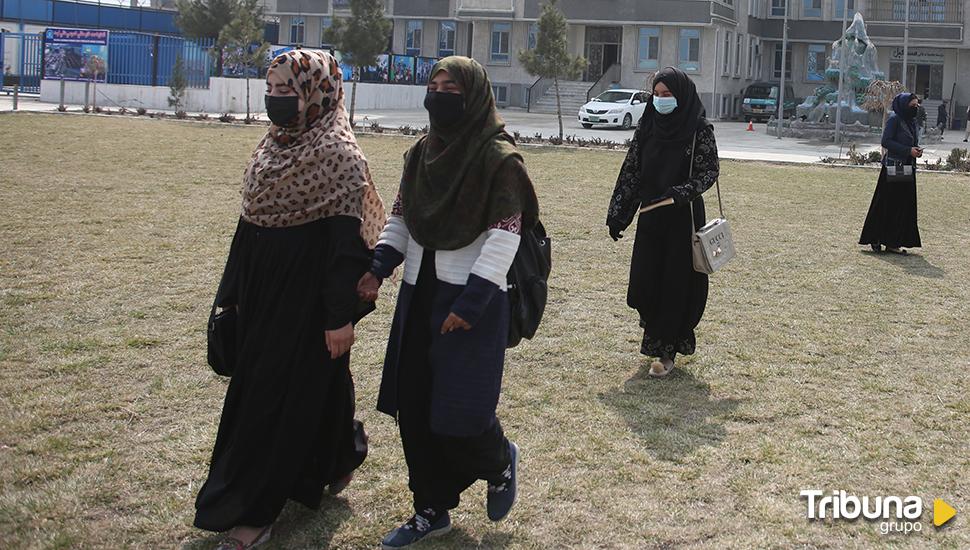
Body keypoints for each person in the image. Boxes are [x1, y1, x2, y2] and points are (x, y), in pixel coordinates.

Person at [194, 50, 385, 549]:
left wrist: (339, 318)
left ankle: (254, 511)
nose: (276, 101)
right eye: (272, 91)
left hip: (307, 304)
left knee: (269, 400)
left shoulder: (341, 157)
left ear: (316, 94)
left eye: (287, 92)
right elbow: (247, 231)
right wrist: (231, 298)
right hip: (260, 295)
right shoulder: (269, 149)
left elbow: (347, 252)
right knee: (319, 383)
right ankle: (341, 454)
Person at [357, 56, 539, 549]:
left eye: (450, 86)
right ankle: (430, 509)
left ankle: (499, 460)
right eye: (433, 85)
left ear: (474, 94)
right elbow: (400, 218)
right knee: (415, 410)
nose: (439, 94)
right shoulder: (421, 155)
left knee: (461, 414)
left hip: (472, 300)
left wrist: (473, 301)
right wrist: (378, 269)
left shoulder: (498, 158)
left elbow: (505, 237)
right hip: (420, 296)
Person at [606, 67, 720, 378]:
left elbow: (709, 171)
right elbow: (631, 171)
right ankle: (656, 337)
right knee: (646, 281)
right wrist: (619, 214)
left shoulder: (698, 129)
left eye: (667, 95)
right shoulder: (648, 126)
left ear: (681, 96)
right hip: (651, 216)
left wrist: (682, 192)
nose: (661, 100)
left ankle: (666, 350)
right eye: (656, 95)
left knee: (675, 285)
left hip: (682, 219)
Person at [859, 92, 922, 254]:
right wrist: (908, 150)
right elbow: (885, 141)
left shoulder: (911, 121)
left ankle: (893, 241)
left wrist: (916, 151)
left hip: (907, 167)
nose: (915, 108)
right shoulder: (895, 119)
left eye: (917, 105)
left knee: (901, 206)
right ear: (903, 105)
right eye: (912, 106)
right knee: (888, 204)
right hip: (894, 167)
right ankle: (877, 238)